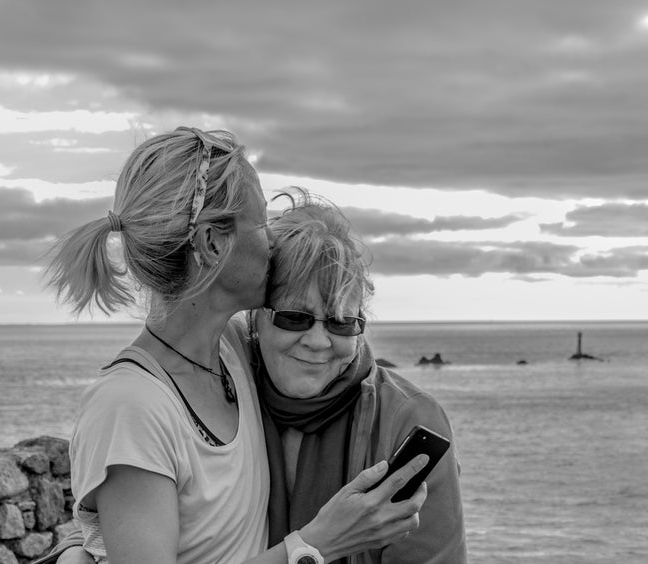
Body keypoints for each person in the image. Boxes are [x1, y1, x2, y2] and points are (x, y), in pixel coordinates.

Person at [40, 127, 428, 564]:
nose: (274, 240)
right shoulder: (131, 406)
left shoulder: (233, 351)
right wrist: (315, 543)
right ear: (211, 243)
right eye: (261, 223)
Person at [247, 190, 468, 564]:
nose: (318, 342)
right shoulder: (224, 393)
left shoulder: (408, 420)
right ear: (256, 316)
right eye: (294, 317)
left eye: (341, 322)